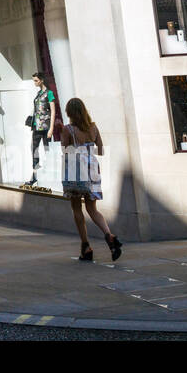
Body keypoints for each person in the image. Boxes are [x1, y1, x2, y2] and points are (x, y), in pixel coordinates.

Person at [60, 97, 122, 262]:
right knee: (92, 209)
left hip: (75, 172)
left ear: (69, 113)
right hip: (92, 170)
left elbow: (64, 150)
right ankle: (109, 235)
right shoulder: (93, 127)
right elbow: (101, 150)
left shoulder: (68, 129)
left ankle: (86, 246)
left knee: (77, 208)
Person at [30, 71, 56, 185]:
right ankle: (35, 174)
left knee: (47, 149)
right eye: (34, 80)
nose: (34, 83)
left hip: (45, 127)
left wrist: (51, 128)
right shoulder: (38, 93)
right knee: (34, 149)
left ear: (41, 80)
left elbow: (53, 111)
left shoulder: (49, 93)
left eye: (36, 80)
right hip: (36, 126)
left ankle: (50, 172)